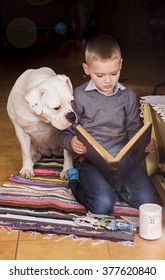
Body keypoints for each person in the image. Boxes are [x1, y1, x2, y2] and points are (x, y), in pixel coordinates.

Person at [57, 34, 159, 214]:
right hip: (91, 161)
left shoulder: (127, 95)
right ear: (87, 69)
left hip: (123, 161)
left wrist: (145, 143)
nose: (108, 81)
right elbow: (63, 133)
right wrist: (71, 143)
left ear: (120, 64)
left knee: (148, 200)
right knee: (102, 205)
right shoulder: (79, 97)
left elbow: (134, 129)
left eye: (114, 73)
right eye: (100, 75)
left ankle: (113, 187)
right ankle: (75, 182)